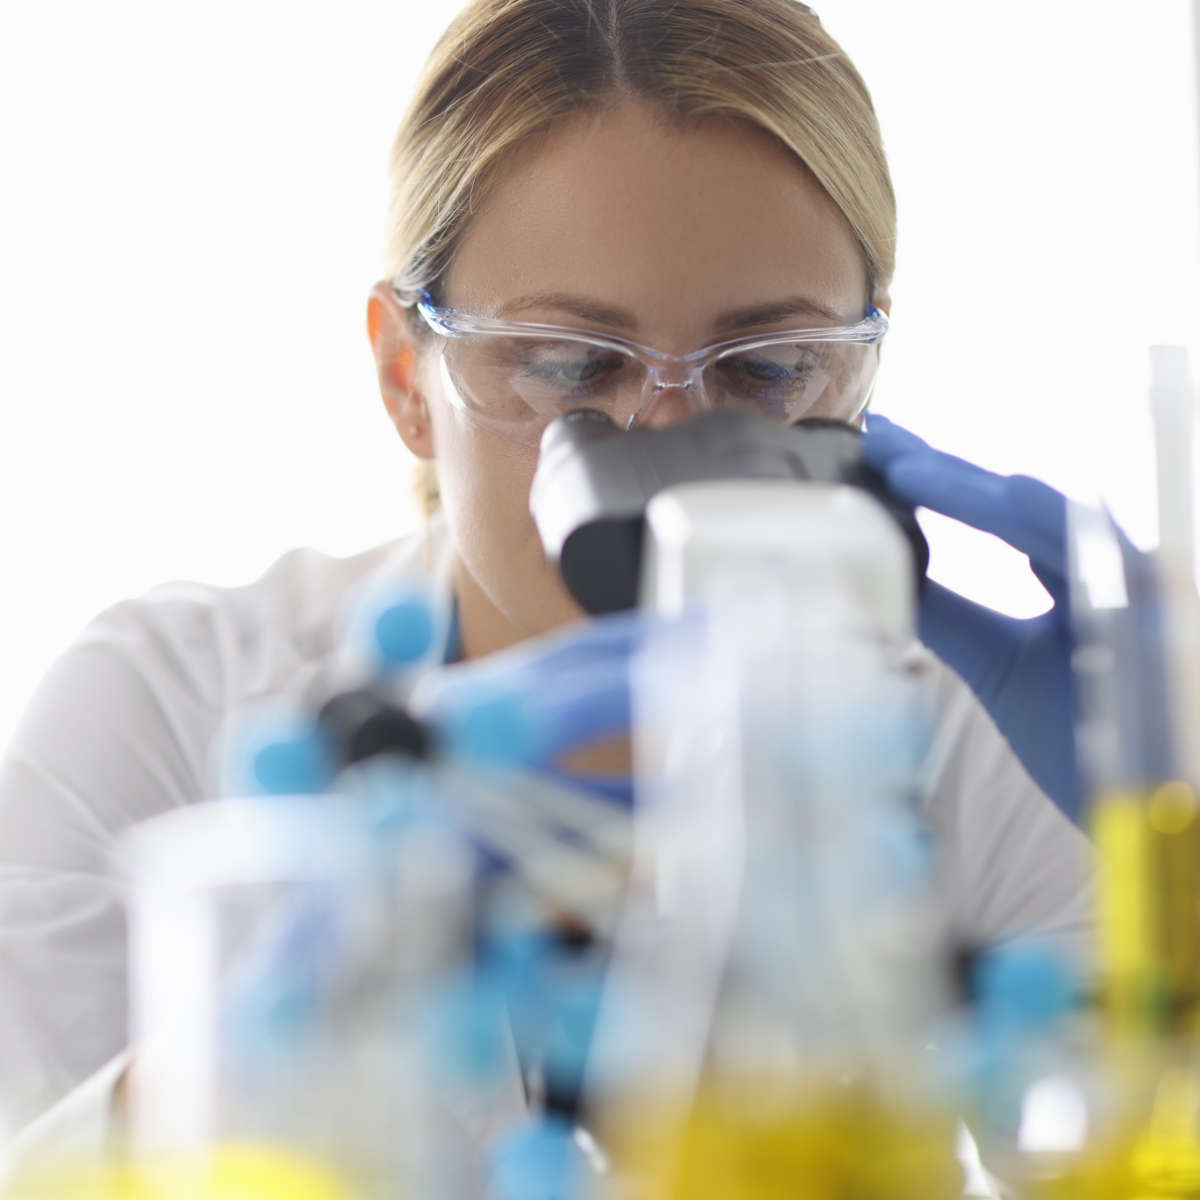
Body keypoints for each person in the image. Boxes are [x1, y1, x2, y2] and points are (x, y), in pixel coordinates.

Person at [0, 0, 1093, 1163]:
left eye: (769, 371)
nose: (665, 445)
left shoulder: (963, 736)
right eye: (570, 369)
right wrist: (256, 1056)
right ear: (405, 378)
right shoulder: (162, 709)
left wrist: (1163, 829)